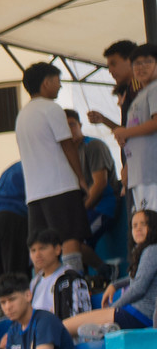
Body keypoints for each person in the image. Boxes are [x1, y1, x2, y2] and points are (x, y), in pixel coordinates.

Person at [15, 62, 91, 246]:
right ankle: (76, 268)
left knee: (45, 245)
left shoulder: (22, 116)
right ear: (46, 82)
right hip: (61, 187)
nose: (60, 86)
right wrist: (81, 178)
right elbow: (67, 145)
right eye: (58, 81)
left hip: (35, 194)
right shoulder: (51, 108)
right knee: (70, 240)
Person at [66, 207, 157, 335]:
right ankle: (105, 330)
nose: (138, 229)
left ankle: (106, 329)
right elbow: (138, 277)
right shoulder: (147, 251)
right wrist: (115, 285)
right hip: (138, 313)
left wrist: (114, 307)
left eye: (144, 224)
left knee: (66, 327)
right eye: (134, 225)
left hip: (140, 315)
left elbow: (139, 288)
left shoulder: (152, 250)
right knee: (69, 326)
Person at [101, 45, 157, 212]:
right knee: (144, 221)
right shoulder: (141, 94)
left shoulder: (154, 89)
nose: (141, 67)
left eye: (148, 62)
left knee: (150, 220)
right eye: (137, 63)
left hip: (150, 172)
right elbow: (137, 128)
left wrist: (126, 132)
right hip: (140, 171)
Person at [68, 106, 120, 251]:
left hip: (104, 207)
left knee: (78, 242)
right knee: (66, 242)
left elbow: (100, 183)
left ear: (80, 125)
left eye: (72, 124)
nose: (69, 129)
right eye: (65, 127)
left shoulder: (93, 145)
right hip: (85, 209)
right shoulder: (67, 154)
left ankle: (103, 265)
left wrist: (80, 211)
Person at [24, 231, 91, 320]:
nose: (37, 255)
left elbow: (80, 317)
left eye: (42, 248)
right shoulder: (35, 282)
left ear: (57, 249)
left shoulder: (69, 278)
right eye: (33, 250)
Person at [0, 162, 30, 282]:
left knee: (1, 280)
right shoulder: (33, 166)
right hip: (13, 217)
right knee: (17, 276)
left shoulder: (11, 169)